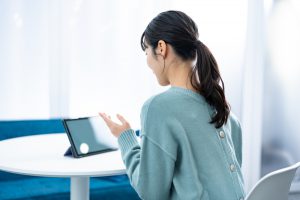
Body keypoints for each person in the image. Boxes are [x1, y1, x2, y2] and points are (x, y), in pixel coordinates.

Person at [99, 10, 245, 200]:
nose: (148, 63)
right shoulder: (222, 108)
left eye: (146, 52)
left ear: (161, 47)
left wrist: (125, 138)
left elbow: (151, 193)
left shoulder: (158, 109)